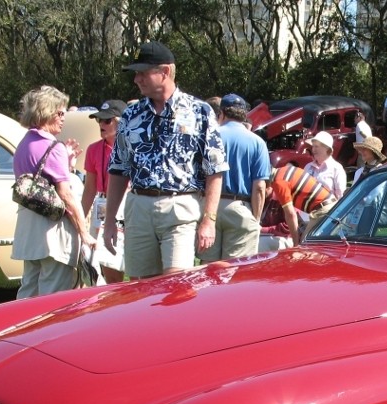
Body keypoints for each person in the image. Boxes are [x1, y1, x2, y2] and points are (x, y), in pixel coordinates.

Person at [102, 41, 227, 277]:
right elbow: (118, 169)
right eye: (135, 74)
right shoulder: (130, 114)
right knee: (141, 291)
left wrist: (209, 221)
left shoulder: (199, 111)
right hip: (139, 209)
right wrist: (109, 222)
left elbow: (215, 169)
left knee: (176, 287)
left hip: (180, 207)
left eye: (142, 73)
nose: (136, 79)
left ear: (165, 71)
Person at [11, 85, 95, 298]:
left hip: (28, 231)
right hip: (53, 233)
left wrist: (66, 165)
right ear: (46, 112)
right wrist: (84, 233)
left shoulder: (24, 144)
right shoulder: (53, 147)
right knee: (53, 298)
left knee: (28, 292)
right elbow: (65, 195)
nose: (63, 117)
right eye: (59, 112)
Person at [199, 93, 271, 262]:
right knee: (234, 271)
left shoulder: (210, 137)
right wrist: (256, 218)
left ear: (221, 113)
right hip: (240, 207)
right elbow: (260, 186)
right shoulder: (257, 142)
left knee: (207, 268)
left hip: (209, 207)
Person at [81, 98, 127, 283]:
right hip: (101, 206)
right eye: (99, 120)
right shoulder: (93, 150)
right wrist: (79, 220)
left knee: (131, 260)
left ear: (121, 121)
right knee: (107, 260)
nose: (101, 124)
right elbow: (89, 189)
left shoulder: (131, 147)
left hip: (127, 204)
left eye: (107, 120)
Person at [267, 164, 336, 246]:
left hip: (323, 210)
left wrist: (295, 243)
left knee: (304, 246)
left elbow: (290, 214)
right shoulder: (288, 169)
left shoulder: (279, 182)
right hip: (332, 205)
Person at [303, 130, 346, 199]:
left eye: (316, 146)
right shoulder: (308, 167)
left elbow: (340, 197)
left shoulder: (336, 168)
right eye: (313, 146)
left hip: (328, 208)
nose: (313, 149)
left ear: (326, 148)